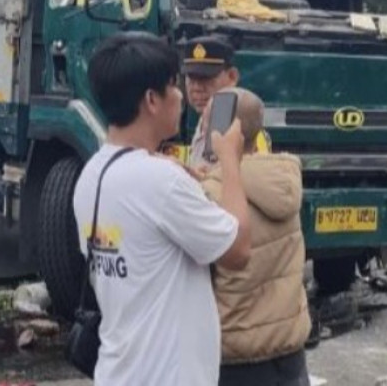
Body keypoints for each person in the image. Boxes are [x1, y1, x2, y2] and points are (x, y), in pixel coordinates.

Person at [73, 32, 252, 386]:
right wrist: (230, 161)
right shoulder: (161, 183)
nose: (181, 96)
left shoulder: (92, 174)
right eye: (174, 86)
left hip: (118, 373)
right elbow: (238, 250)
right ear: (151, 100)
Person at [201, 87, 311, 386]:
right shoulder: (283, 179)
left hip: (237, 357)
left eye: (206, 121)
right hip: (289, 351)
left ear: (221, 131)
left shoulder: (211, 195)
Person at [178, 35, 268, 169]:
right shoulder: (205, 122)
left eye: (205, 79)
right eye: (191, 79)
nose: (196, 88)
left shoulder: (247, 132)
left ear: (232, 76)